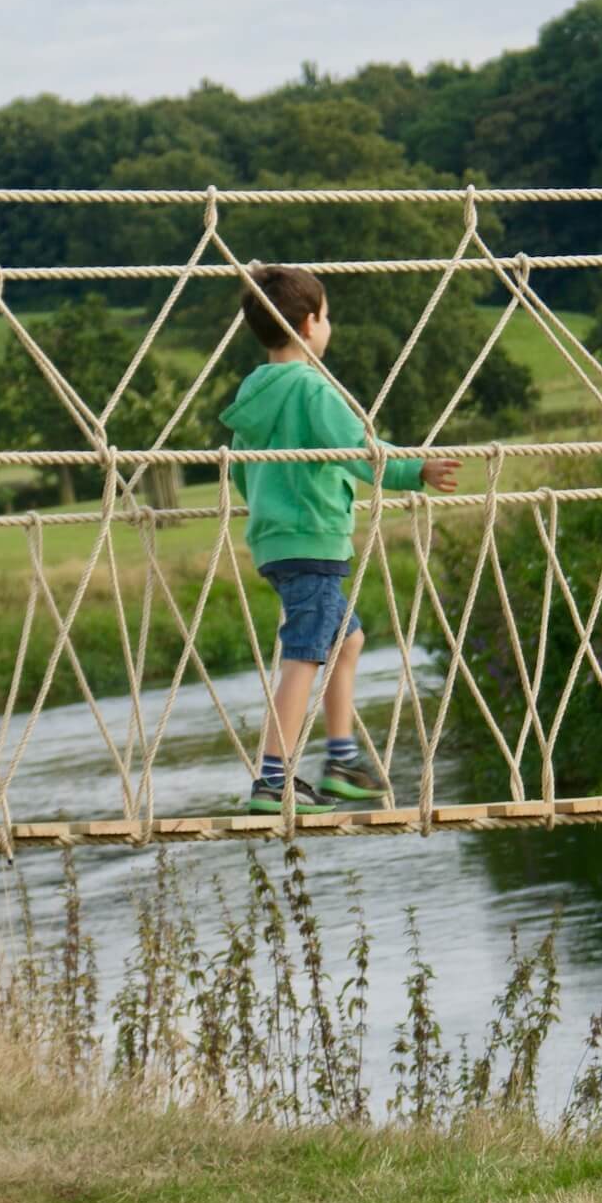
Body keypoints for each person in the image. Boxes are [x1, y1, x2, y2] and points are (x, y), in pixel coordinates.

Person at [220, 265, 460, 814]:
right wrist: (415, 468)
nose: (330, 324)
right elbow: (360, 450)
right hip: (313, 542)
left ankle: (341, 760)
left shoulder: (254, 393)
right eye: (327, 315)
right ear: (308, 323)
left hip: (277, 542)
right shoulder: (310, 389)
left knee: (345, 640)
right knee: (306, 654)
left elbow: (242, 472)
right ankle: (274, 779)